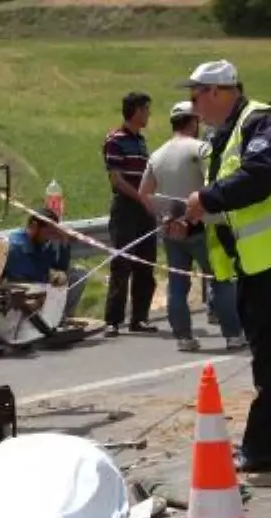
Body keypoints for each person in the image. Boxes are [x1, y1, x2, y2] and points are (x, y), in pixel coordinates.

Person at [175, 59, 271, 473]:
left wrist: (208, 199)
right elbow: (226, 205)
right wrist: (193, 217)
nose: (193, 107)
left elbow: (259, 176)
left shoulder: (262, 122)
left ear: (216, 92)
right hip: (257, 260)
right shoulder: (220, 138)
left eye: (195, 97)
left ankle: (264, 449)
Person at [139, 101, 245, 353]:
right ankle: (232, 334)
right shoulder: (200, 149)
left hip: (172, 229)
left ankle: (184, 337)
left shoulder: (157, 155)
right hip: (204, 227)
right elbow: (214, 184)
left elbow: (144, 193)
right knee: (221, 280)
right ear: (193, 122)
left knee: (177, 283)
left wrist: (164, 217)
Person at [102, 91, 159, 337]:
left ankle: (140, 317)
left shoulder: (141, 141)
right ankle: (113, 320)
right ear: (135, 110)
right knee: (122, 263)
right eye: (146, 109)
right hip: (126, 207)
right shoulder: (115, 140)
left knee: (146, 262)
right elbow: (116, 179)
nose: (148, 114)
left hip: (144, 209)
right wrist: (140, 197)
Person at [2, 206, 88, 319]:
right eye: (49, 231)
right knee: (51, 287)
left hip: (40, 288)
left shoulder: (42, 243)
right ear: (34, 226)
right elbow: (26, 277)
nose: (50, 236)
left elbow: (61, 267)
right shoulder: (17, 246)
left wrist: (64, 241)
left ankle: (64, 317)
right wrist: (48, 285)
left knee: (78, 273)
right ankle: (52, 318)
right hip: (21, 293)